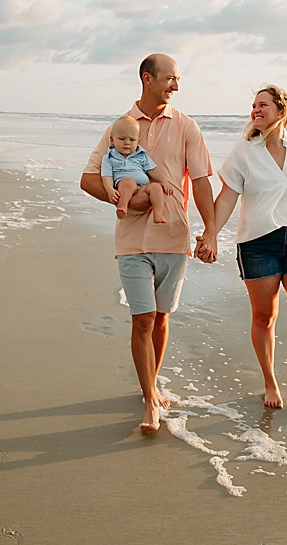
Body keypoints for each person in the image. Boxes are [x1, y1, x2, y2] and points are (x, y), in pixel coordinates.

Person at [80, 54, 216, 434]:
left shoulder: (187, 126)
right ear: (147, 78)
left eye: (177, 79)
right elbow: (89, 179)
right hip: (131, 240)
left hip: (174, 237)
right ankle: (150, 399)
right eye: (170, 78)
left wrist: (212, 230)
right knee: (142, 319)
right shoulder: (120, 127)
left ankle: (151, 385)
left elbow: (202, 180)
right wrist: (124, 199)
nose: (176, 86)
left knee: (161, 318)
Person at [198, 85, 287, 414]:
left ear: (281, 110)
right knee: (264, 318)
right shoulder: (244, 151)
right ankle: (271, 382)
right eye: (253, 105)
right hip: (258, 243)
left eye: (263, 105)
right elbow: (227, 197)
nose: (255, 110)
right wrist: (210, 234)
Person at [98, 115, 178, 223]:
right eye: (122, 139)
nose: (127, 143)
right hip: (124, 186)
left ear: (137, 141)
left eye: (132, 140)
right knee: (128, 182)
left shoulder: (141, 155)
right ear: (112, 140)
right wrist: (110, 190)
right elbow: (106, 175)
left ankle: (158, 214)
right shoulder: (109, 157)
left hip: (143, 188)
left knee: (156, 187)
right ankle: (122, 207)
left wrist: (164, 181)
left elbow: (153, 170)